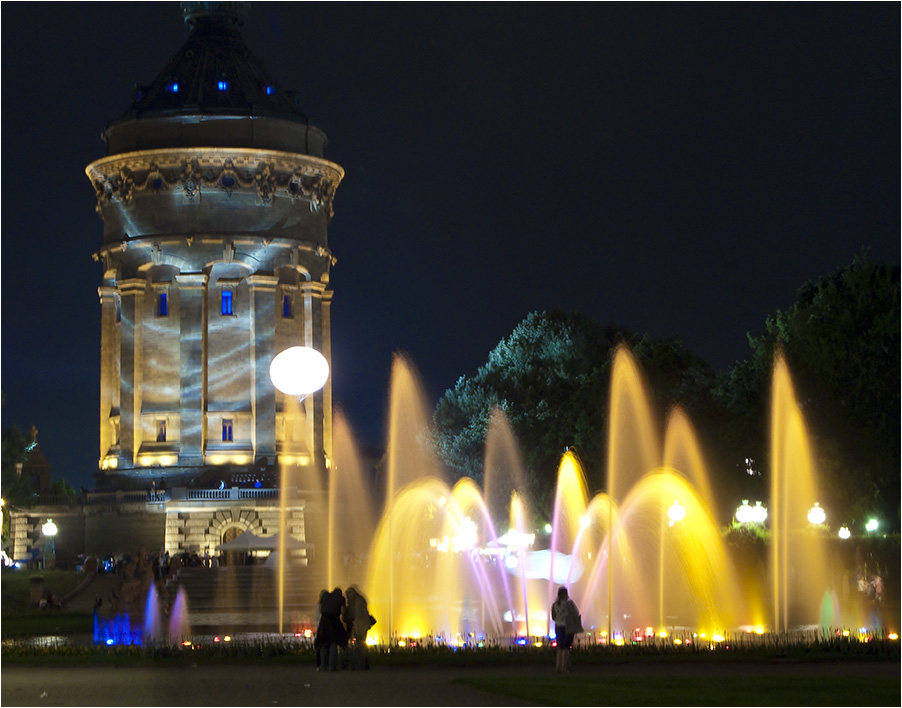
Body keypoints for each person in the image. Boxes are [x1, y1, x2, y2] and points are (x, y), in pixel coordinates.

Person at [343, 585, 374, 670]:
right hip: (362, 625)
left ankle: (361, 664)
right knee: (362, 644)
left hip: (360, 625)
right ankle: (363, 664)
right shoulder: (360, 600)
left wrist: (346, 615)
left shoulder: (357, 602)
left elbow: (355, 614)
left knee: (361, 645)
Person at [551, 586, 581, 674]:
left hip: (558, 626)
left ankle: (558, 667)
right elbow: (576, 613)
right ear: (566, 594)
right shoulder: (570, 604)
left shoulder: (555, 605)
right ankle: (564, 668)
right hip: (568, 626)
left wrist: (559, 618)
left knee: (559, 647)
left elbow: (553, 617)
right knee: (566, 648)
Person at [316, 587, 347, 671]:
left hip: (324, 622)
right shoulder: (341, 598)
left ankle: (323, 666)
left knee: (324, 644)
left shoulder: (325, 596)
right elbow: (343, 611)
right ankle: (331, 666)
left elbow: (320, 609)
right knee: (333, 644)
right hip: (334, 622)